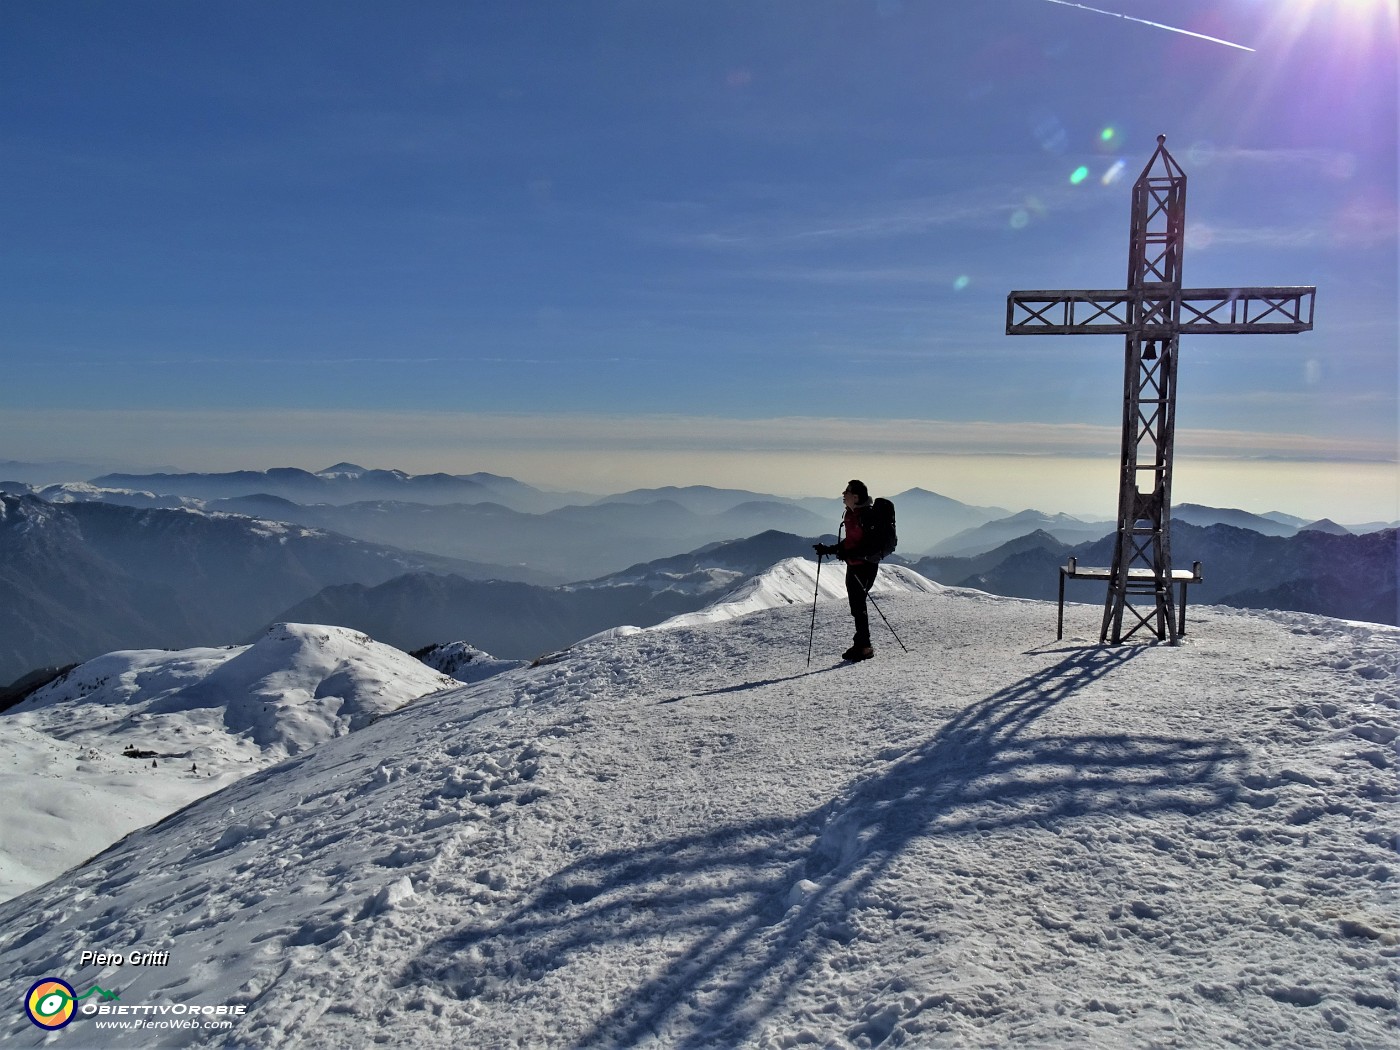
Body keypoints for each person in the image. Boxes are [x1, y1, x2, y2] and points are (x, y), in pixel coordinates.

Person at [813, 479, 882, 662]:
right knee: (857, 606)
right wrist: (829, 549)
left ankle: (865, 647)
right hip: (855, 566)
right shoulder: (852, 514)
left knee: (859, 606)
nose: (843, 494)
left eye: (847, 491)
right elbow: (851, 543)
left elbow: (868, 545)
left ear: (856, 496)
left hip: (864, 568)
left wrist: (849, 553)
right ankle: (861, 644)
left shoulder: (865, 516)